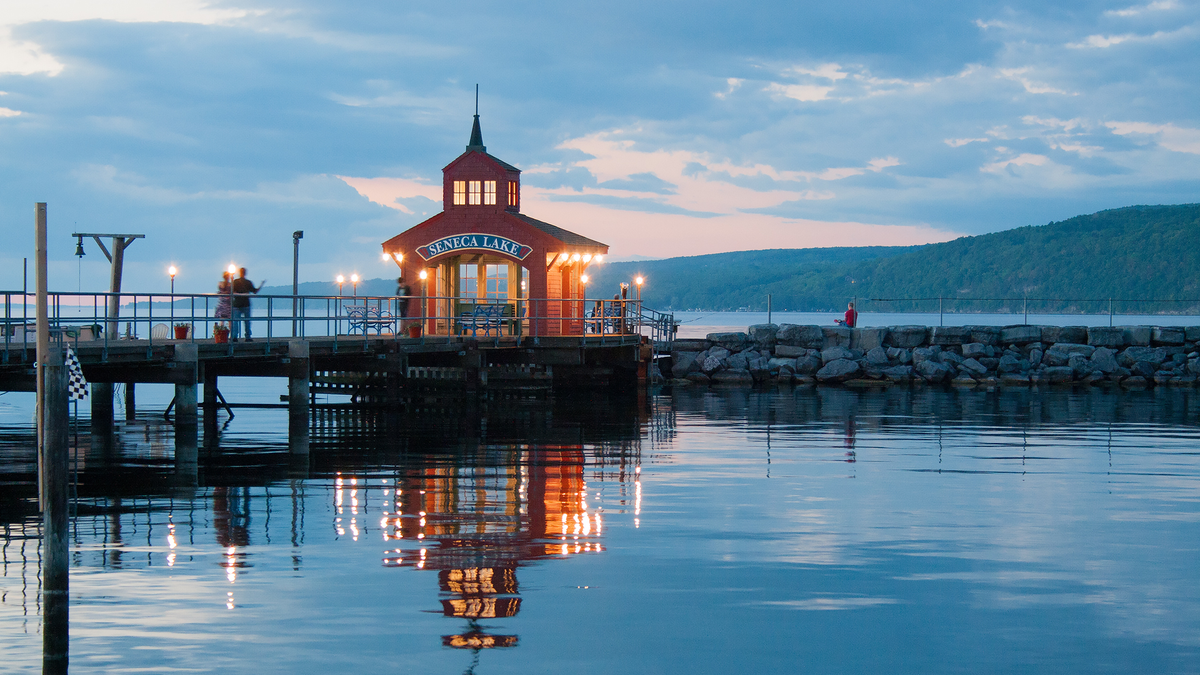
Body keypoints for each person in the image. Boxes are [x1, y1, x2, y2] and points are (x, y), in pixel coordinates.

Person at [231, 267, 263, 342]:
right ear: (245, 273)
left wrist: (238, 294)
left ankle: (234, 337)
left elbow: (232, 292)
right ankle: (248, 336)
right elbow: (255, 291)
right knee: (247, 321)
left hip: (237, 304)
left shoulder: (235, 282)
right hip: (245, 304)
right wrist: (261, 284)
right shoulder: (248, 282)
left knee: (235, 321)